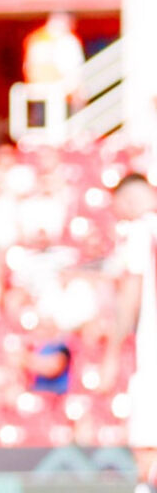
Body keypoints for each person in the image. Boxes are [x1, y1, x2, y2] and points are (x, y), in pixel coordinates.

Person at [106, 174, 157, 493]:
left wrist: (111, 354)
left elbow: (131, 295)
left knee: (147, 443)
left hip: (151, 352)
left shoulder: (141, 231)